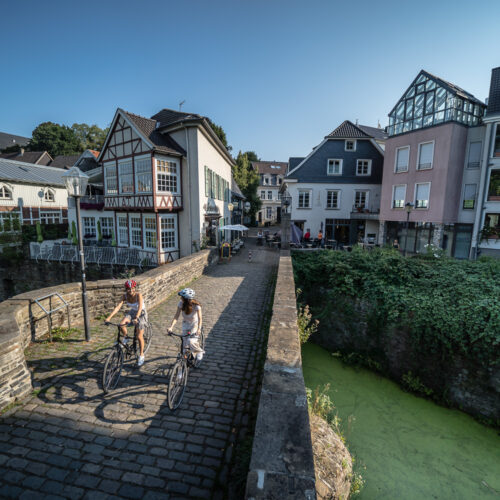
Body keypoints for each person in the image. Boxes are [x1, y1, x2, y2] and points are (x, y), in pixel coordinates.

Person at [105, 279, 147, 367]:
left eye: (132, 288)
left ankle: (142, 355)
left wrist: (137, 317)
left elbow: (139, 308)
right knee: (121, 324)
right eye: (128, 289)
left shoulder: (138, 295)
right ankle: (126, 337)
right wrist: (109, 318)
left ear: (135, 288)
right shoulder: (124, 296)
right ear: (126, 289)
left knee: (139, 336)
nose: (131, 290)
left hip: (141, 313)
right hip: (132, 312)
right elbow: (117, 308)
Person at [168, 288, 204, 363]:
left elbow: (200, 318)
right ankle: (182, 369)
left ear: (186, 299)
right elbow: (176, 316)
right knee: (184, 348)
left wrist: (199, 329)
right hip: (185, 324)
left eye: (182, 297)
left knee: (191, 341)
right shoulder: (181, 303)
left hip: (194, 325)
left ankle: (199, 351)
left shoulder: (197, 306)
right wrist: (171, 327)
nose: (181, 298)